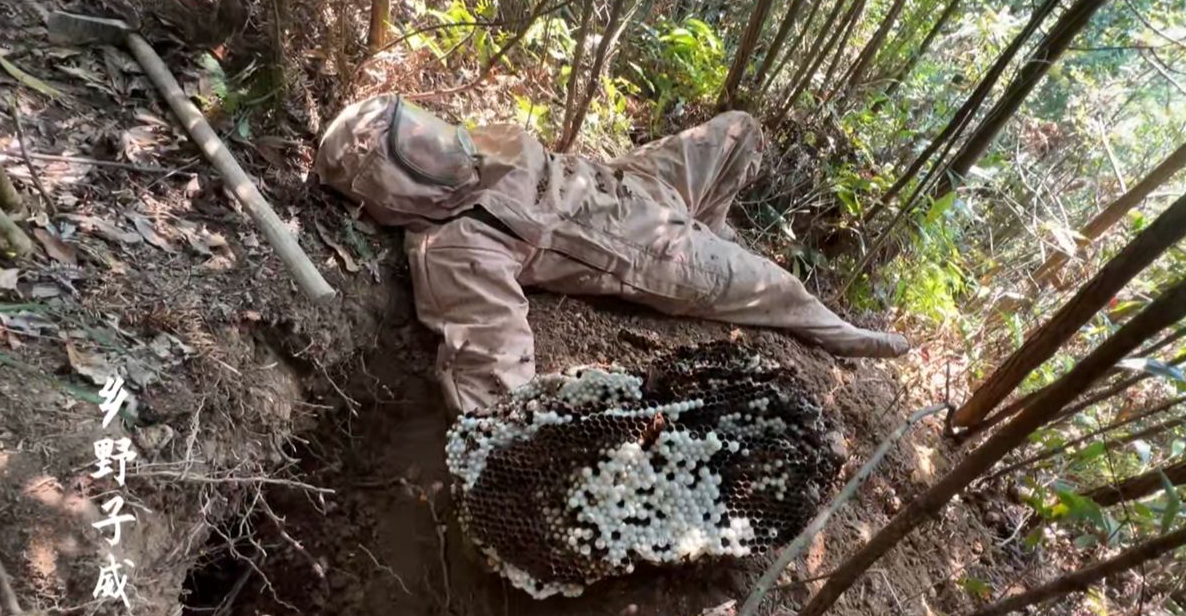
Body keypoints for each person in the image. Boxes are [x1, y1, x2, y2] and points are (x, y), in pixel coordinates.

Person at [316, 95, 908, 415]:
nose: (432, 140)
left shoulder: (473, 150)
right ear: (389, 188)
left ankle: (714, 227)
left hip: (630, 182)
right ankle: (846, 334)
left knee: (741, 129)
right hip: (657, 254)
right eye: (408, 148)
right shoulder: (453, 248)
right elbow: (491, 372)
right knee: (782, 292)